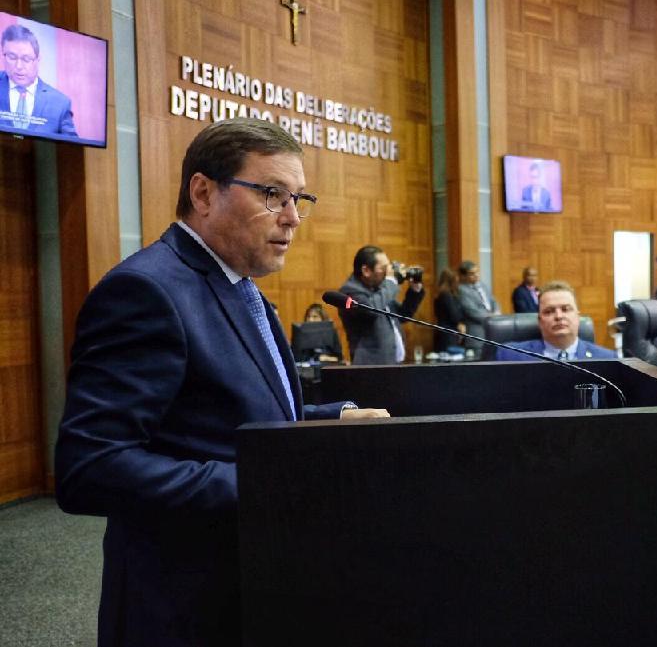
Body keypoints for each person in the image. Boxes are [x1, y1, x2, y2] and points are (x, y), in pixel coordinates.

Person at [54, 118, 389, 647]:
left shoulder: (241, 286)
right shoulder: (147, 292)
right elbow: (90, 467)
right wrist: (266, 483)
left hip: (248, 584)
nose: (293, 217)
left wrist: (329, 421)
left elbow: (224, 417)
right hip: (179, 606)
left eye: (300, 198)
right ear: (204, 193)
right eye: (273, 194)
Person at [338, 245, 425, 365]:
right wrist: (391, 281)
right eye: (384, 268)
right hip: (370, 366)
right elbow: (371, 310)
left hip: (391, 363)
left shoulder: (378, 290)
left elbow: (403, 314)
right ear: (366, 271)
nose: (387, 273)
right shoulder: (349, 291)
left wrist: (415, 291)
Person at [496, 281, 616, 361]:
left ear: (577, 317)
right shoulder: (510, 355)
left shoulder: (607, 358)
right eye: (549, 311)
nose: (558, 316)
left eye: (565, 309)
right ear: (540, 321)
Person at [0, 24, 76, 136]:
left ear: (38, 59)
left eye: (26, 59)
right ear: (3, 55)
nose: (19, 66)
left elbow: (72, 147)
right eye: (12, 57)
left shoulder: (60, 103)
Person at [457, 260, 500, 356]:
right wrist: (492, 317)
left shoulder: (482, 285)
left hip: (492, 331)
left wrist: (497, 312)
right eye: (472, 273)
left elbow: (493, 301)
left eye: (477, 272)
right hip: (477, 333)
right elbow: (472, 312)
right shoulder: (462, 290)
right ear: (464, 276)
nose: (476, 275)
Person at [433, 268, 465, 352]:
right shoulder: (447, 295)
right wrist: (462, 321)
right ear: (452, 281)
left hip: (443, 331)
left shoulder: (439, 294)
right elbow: (455, 315)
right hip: (450, 333)